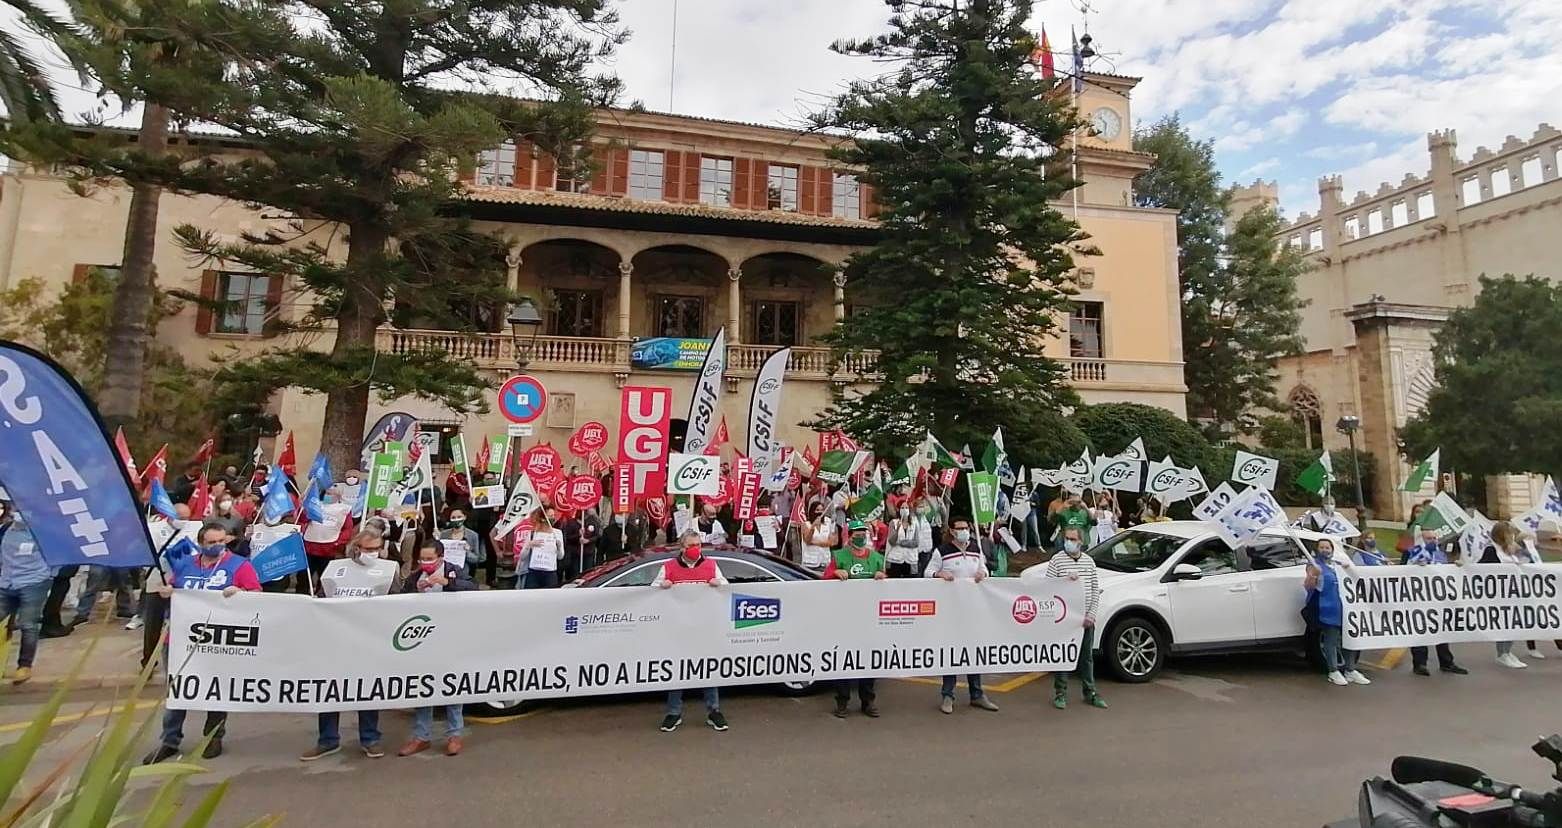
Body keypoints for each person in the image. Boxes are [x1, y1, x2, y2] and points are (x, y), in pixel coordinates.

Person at [143, 523, 262, 764]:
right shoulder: (186, 564)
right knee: (177, 690)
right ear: (200, 543)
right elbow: (174, 589)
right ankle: (169, 741)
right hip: (180, 638)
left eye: (221, 540)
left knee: (216, 688)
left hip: (219, 640)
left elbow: (256, 595)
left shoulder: (240, 565)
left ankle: (213, 736)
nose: (216, 546)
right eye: (210, 542)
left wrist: (239, 593)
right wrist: (167, 591)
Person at [301, 531, 392, 761]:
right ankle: (328, 740)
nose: (371, 553)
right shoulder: (335, 569)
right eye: (366, 548)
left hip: (369, 641)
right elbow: (322, 599)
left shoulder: (389, 569)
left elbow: (398, 602)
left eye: (376, 549)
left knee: (368, 691)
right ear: (355, 547)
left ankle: (370, 738)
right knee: (330, 690)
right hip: (336, 640)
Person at [397, 538, 475, 757]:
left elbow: (473, 587)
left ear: (441, 557)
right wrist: (415, 589)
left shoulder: (454, 571)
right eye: (422, 559)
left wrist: (448, 583)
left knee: (452, 686)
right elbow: (400, 599)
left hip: (450, 638)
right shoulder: (415, 576)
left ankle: (454, 735)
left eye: (430, 559)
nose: (425, 562)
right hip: (422, 641)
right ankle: (421, 736)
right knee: (424, 688)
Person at [653, 531, 729, 733]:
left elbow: (726, 589)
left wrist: (718, 585)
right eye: (691, 545)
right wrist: (662, 587)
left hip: (705, 628)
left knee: (708, 669)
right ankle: (674, 712)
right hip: (678, 630)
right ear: (682, 547)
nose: (695, 548)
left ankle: (714, 711)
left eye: (698, 544)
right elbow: (652, 593)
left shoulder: (711, 566)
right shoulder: (668, 567)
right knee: (677, 671)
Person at [925, 518, 999, 715]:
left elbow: (984, 569)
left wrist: (983, 574)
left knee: (973, 652)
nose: (964, 531)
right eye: (960, 529)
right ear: (952, 531)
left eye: (966, 528)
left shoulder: (976, 548)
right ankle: (948, 695)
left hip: (973, 609)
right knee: (952, 652)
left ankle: (977, 694)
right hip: (951, 610)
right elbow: (927, 572)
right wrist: (939, 575)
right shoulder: (942, 550)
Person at [823, 520, 887, 717]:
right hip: (844, 618)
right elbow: (823, 582)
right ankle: (842, 702)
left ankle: (868, 701)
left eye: (863, 533)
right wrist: (834, 573)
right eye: (856, 534)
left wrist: (882, 577)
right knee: (844, 660)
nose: (860, 537)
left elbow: (888, 587)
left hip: (869, 618)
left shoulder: (877, 558)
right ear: (849, 536)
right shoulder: (839, 556)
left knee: (868, 660)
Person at [1046, 527, 1106, 708]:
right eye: (1067, 539)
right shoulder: (1057, 560)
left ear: (1081, 541)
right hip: (1065, 618)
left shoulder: (1089, 562)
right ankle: (1060, 693)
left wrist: (1091, 615)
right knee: (1063, 655)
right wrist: (1063, 581)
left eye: (1073, 539)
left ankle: (1090, 692)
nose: (1069, 542)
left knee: (1086, 657)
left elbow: (1095, 590)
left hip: (1085, 618)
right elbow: (1047, 586)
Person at [0, 499, 54, 685]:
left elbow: (57, 557)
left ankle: (24, 665)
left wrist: (47, 576)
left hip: (33, 583)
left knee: (28, 624)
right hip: (7, 583)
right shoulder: (7, 530)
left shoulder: (43, 532)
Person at [1402, 527, 1468, 676]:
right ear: (1422, 539)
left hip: (1439, 599)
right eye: (1429, 539)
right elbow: (1408, 571)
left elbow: (1443, 570)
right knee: (1421, 631)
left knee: (1442, 631)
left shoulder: (1439, 553)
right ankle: (1420, 664)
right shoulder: (1415, 553)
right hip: (1420, 600)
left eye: (1434, 538)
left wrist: (1455, 566)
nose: (1433, 541)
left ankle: (1447, 662)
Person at [1304, 538, 1369, 686]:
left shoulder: (1338, 565)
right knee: (1331, 640)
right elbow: (1308, 586)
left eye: (1328, 547)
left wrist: (1349, 569)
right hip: (1327, 608)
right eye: (1322, 547)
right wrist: (1313, 575)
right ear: (1316, 549)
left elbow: (1356, 580)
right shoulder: (1313, 565)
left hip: (1345, 608)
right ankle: (1333, 671)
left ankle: (1350, 670)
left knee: (1349, 639)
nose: (1325, 550)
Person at [1482, 522, 1537, 669]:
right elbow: (1482, 568)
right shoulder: (1491, 550)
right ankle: (1502, 653)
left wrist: (1520, 551)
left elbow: (1531, 562)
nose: (1512, 536)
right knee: (1505, 624)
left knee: (1515, 623)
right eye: (1509, 533)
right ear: (1501, 535)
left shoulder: (1511, 550)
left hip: (1516, 593)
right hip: (1501, 594)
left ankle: (1508, 650)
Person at [300, 485, 354, 595]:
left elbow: (347, 529)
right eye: (327, 493)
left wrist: (338, 542)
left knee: (324, 575)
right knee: (304, 576)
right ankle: (301, 594)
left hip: (328, 549)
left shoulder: (344, 509)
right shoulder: (315, 505)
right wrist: (304, 507)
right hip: (310, 546)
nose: (328, 496)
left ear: (338, 496)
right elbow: (303, 519)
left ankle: (321, 595)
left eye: (331, 494)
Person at [517, 508, 563, 589]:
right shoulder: (532, 533)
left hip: (550, 573)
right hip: (534, 572)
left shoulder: (557, 533)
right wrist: (529, 545)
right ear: (543, 519)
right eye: (550, 516)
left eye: (553, 515)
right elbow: (522, 557)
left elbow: (560, 556)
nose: (553, 518)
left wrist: (559, 547)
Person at [885, 503, 931, 579]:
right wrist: (897, 530)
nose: (904, 510)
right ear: (899, 510)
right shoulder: (893, 522)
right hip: (895, 559)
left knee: (911, 581)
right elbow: (892, 542)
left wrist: (902, 543)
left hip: (911, 559)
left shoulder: (914, 523)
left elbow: (916, 542)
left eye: (906, 507)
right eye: (902, 508)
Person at [440, 508, 485, 582]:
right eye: (453, 518)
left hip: (464, 572)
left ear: (464, 517)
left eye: (459, 517)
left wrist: (467, 552)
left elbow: (476, 559)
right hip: (446, 570)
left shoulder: (473, 535)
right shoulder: (444, 534)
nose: (456, 519)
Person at [800, 502, 835, 575]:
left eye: (822, 510)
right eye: (817, 510)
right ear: (812, 511)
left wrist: (815, 542)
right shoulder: (805, 524)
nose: (820, 512)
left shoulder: (827, 523)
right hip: (810, 562)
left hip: (824, 561)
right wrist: (813, 527)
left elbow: (831, 542)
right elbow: (807, 541)